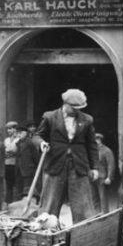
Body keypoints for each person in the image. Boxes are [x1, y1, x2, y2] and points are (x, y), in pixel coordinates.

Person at [36, 88, 98, 223]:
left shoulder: (87, 120)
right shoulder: (50, 117)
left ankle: (82, 235)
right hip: (55, 165)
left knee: (83, 206)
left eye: (80, 108)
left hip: (79, 167)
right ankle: (47, 232)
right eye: (75, 108)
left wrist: (94, 167)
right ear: (66, 104)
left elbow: (92, 145)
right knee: (49, 205)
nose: (77, 111)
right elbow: (37, 136)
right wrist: (41, 143)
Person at [16, 125, 41, 199]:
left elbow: (36, 156)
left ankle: (31, 201)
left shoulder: (30, 142)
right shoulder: (19, 143)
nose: (18, 135)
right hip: (20, 169)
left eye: (20, 133)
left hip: (28, 169)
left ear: (26, 133)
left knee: (29, 187)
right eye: (17, 133)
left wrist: (35, 166)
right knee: (21, 186)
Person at [93, 133, 116, 214]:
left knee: (103, 198)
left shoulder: (106, 150)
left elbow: (111, 164)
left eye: (97, 139)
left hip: (102, 178)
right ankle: (96, 216)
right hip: (93, 177)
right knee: (94, 198)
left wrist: (109, 177)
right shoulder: (92, 150)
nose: (95, 141)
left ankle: (105, 216)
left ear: (100, 140)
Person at [4, 121, 20, 202]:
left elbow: (16, 151)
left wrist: (9, 152)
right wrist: (9, 152)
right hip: (7, 164)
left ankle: (16, 201)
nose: (9, 131)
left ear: (15, 129)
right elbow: (5, 151)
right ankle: (8, 202)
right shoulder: (6, 140)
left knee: (16, 183)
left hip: (15, 164)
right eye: (8, 129)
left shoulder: (18, 139)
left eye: (10, 129)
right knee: (8, 184)